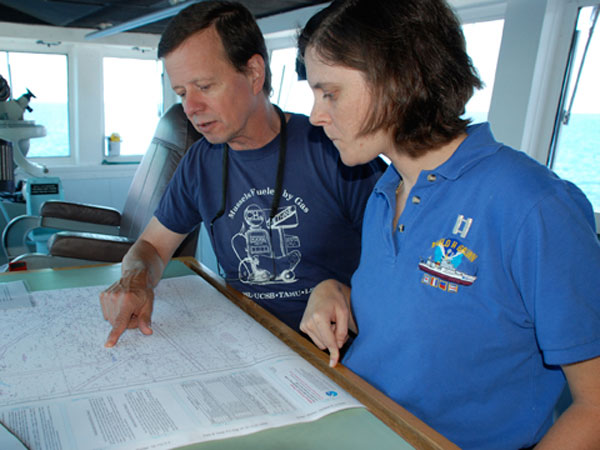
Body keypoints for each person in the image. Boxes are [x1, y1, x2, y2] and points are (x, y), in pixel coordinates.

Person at [297, 0, 600, 449]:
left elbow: (594, 407)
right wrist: (332, 290)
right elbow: (422, 320)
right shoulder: (384, 191)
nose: (317, 116)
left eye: (331, 93)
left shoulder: (535, 207)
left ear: (397, 77)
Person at [99, 1, 385, 346]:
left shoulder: (335, 148)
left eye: (204, 86)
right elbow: (150, 247)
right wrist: (136, 279)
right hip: (245, 343)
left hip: (331, 354)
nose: (190, 108)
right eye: (181, 93)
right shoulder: (199, 162)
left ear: (253, 73)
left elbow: (401, 277)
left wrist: (343, 292)